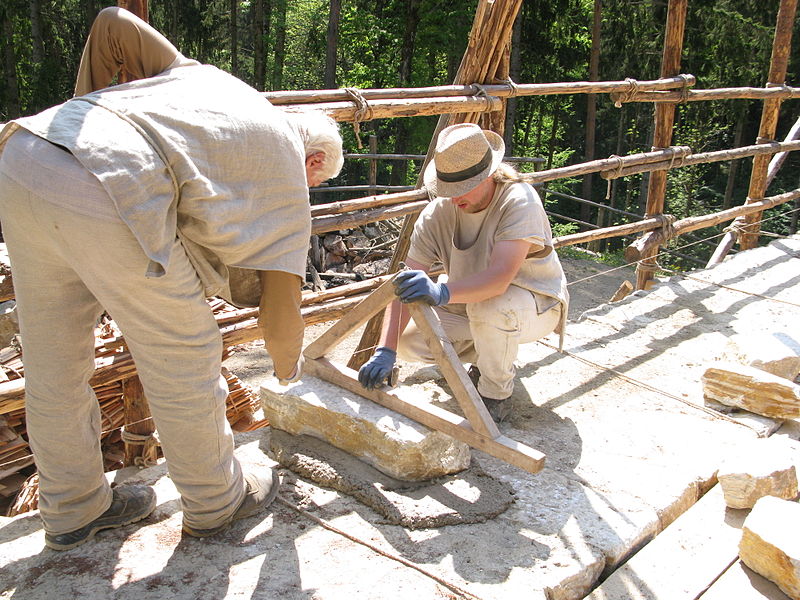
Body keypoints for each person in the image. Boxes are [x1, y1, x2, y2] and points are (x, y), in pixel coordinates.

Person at [0, 7, 343, 550]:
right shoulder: (286, 169)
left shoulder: (212, 87)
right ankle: (216, 500)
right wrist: (288, 374)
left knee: (53, 358)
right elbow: (281, 317)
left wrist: (79, 120)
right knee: (184, 349)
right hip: (106, 178)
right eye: (315, 181)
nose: (308, 193)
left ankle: (73, 508)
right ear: (314, 159)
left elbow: (114, 23)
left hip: (26, 151)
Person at [358, 123, 568, 423]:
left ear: (487, 175)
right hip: (472, 304)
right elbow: (404, 284)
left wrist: (441, 291)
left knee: (493, 306)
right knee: (410, 341)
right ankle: (490, 356)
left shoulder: (519, 201)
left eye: (462, 189)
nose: (454, 198)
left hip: (535, 305)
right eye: (448, 190)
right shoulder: (437, 214)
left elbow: (498, 279)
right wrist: (386, 349)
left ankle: (495, 394)